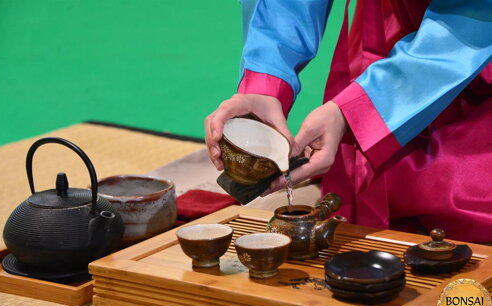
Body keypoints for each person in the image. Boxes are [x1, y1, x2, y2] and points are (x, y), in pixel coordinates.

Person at [205, 0, 492, 243]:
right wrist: (266, 83)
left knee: (460, 205)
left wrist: (358, 111)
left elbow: (475, 21)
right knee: (363, 189)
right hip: (387, 30)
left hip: (472, 36)